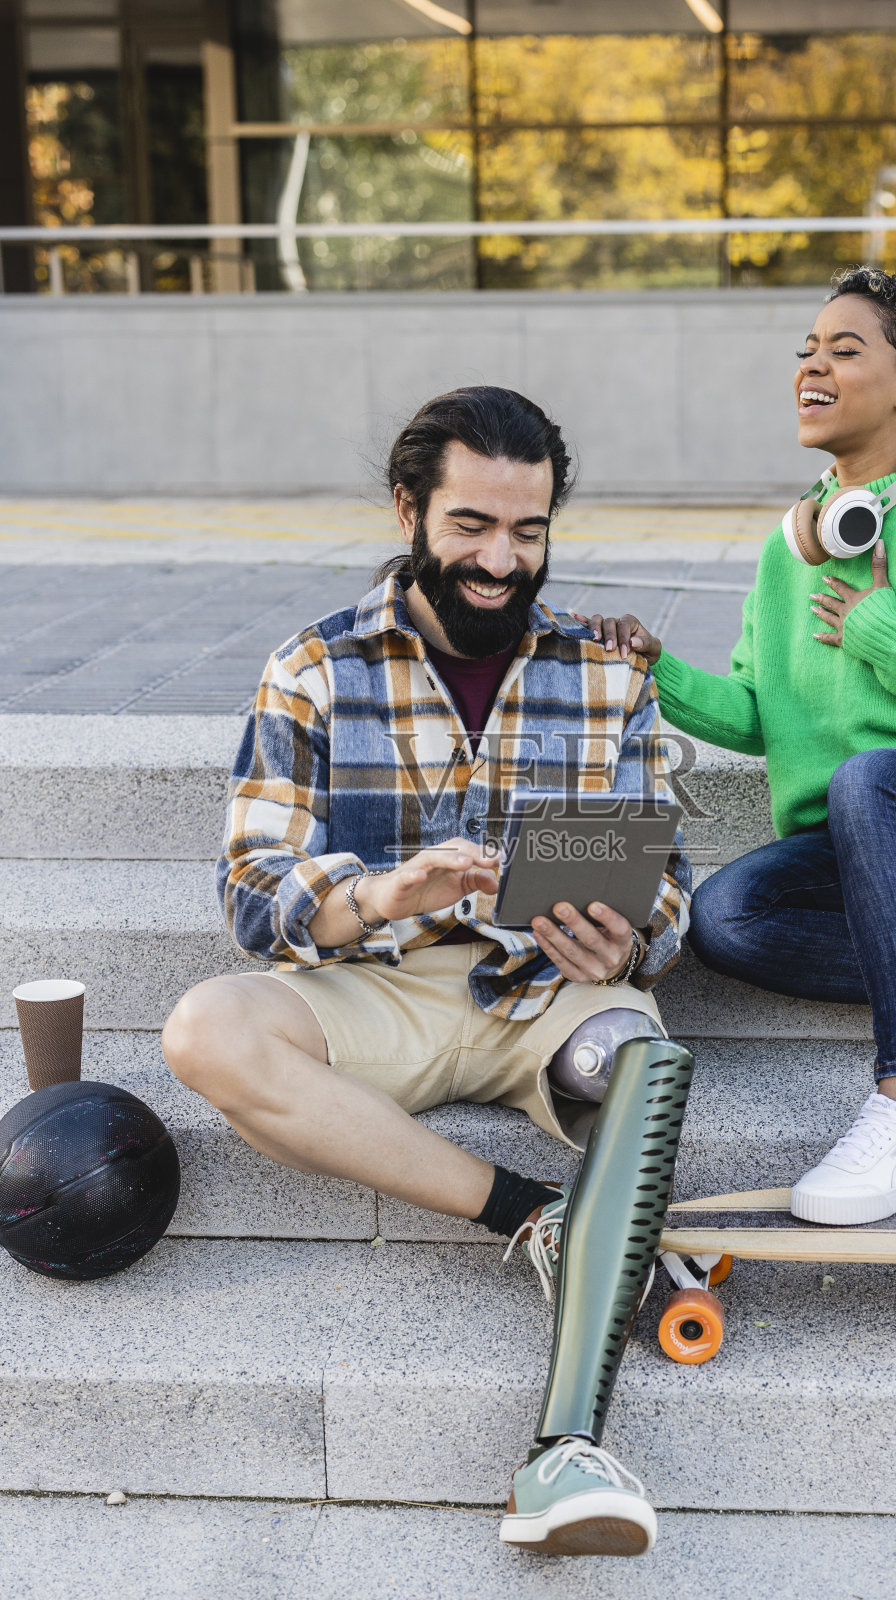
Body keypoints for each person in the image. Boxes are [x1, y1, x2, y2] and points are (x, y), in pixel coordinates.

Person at [161, 386, 693, 1559]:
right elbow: (252, 891)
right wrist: (378, 894)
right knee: (207, 1032)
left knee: (642, 1063)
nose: (501, 560)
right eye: (470, 526)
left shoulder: (606, 672)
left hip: (548, 991)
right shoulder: (313, 666)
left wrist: (633, 936)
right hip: (373, 986)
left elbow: (667, 882)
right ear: (408, 508)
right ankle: (536, 1217)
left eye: (528, 531)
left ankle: (563, 1445)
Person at [583, 267, 896, 1227]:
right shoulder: (793, 549)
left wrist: (883, 636)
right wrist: (657, 672)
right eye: (805, 352)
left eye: (844, 350)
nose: (812, 366)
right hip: (871, 840)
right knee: (725, 915)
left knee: (873, 780)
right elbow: (761, 714)